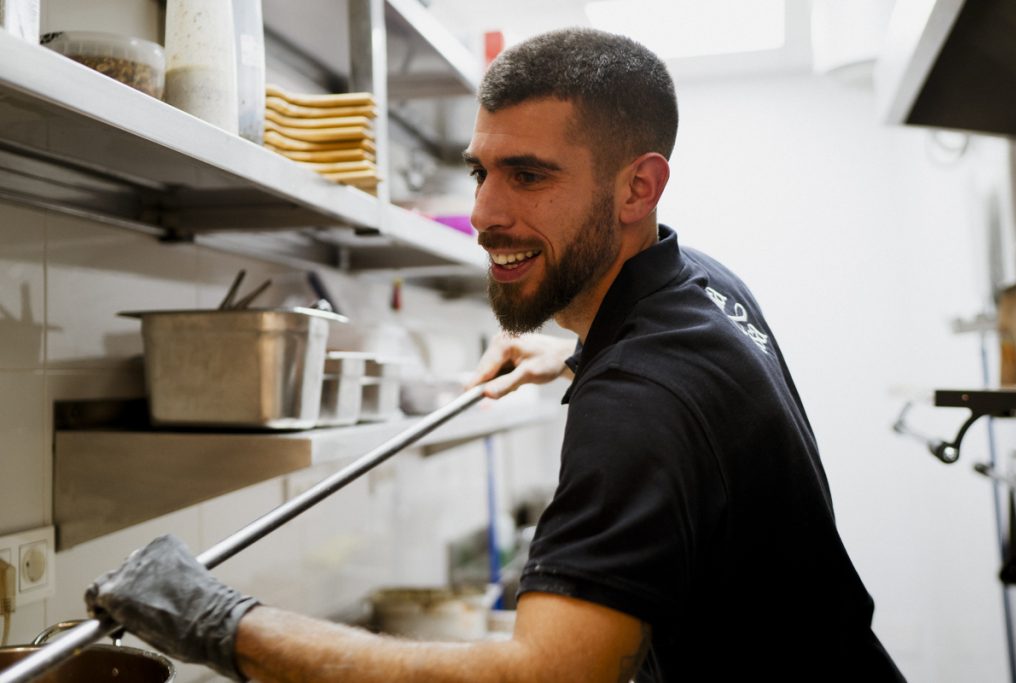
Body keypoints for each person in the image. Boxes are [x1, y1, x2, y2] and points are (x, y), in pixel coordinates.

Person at [84, 28, 905, 682]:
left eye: (528, 174)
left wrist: (221, 622)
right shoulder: (696, 290)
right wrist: (578, 355)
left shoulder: (639, 399)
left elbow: (543, 674)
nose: (481, 212)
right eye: (481, 170)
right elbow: (688, 404)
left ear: (637, 188)